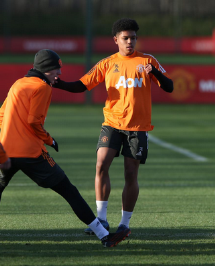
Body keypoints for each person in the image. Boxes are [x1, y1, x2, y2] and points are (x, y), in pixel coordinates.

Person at [54, 18, 174, 236]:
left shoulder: (148, 61)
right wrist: (58, 83)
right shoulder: (107, 63)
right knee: (101, 165)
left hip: (137, 128)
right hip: (112, 124)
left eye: (133, 38)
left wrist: (154, 73)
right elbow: (82, 85)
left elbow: (170, 87)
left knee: (130, 174)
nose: (130, 42)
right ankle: (101, 219)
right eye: (125, 38)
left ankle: (125, 223)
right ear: (116, 40)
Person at [0, 49, 130, 247]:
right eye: (56, 70)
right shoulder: (42, 87)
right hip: (31, 154)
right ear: (45, 69)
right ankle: (104, 236)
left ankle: (104, 235)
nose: (59, 74)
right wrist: (50, 140)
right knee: (69, 191)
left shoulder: (18, 83)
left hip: (5, 152)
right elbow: (34, 122)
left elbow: (1, 115)